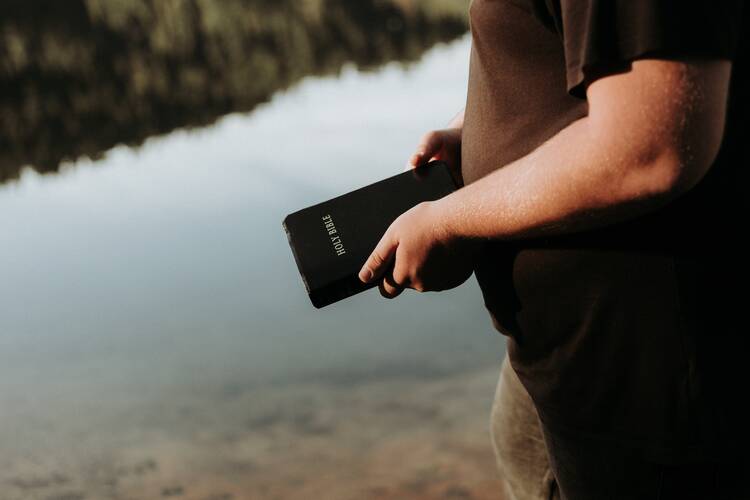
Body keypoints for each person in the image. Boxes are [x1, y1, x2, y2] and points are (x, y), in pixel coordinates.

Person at [358, 1, 748, 499]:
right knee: (519, 452)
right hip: (562, 347)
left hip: (640, 372)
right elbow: (564, 47)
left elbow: (651, 147)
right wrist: (474, 127)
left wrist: (451, 222)